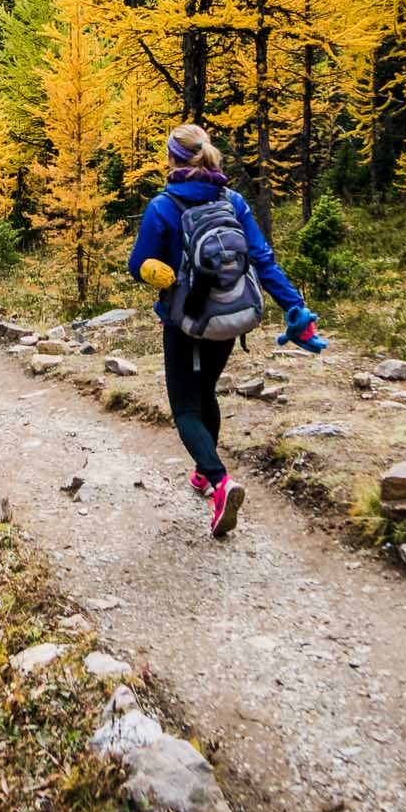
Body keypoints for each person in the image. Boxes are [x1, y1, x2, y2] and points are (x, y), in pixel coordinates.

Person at [127, 123, 315, 539]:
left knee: (186, 408)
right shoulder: (233, 201)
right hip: (230, 316)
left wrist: (153, 273)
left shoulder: (163, 205)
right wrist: (294, 305)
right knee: (206, 390)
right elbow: (263, 259)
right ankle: (202, 472)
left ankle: (218, 481)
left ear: (173, 159)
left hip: (186, 322)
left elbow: (139, 262)